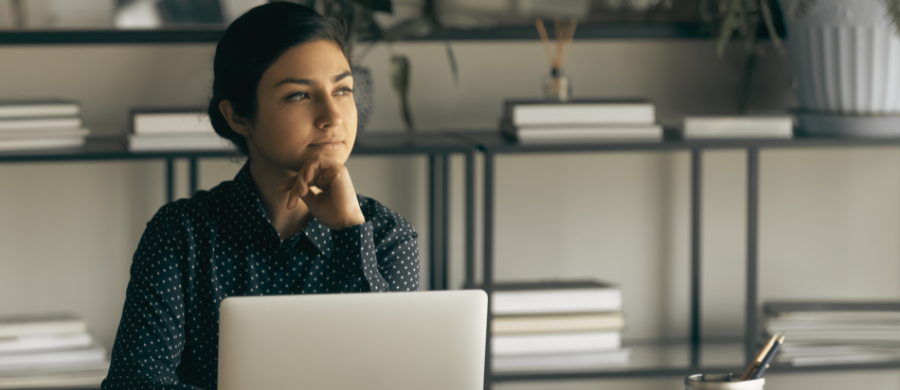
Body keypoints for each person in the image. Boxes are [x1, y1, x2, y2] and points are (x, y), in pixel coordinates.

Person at [101, 3, 420, 389]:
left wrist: (351, 231)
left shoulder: (387, 236)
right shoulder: (180, 234)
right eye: (300, 95)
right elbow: (135, 381)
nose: (333, 116)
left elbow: (390, 374)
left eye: (343, 89)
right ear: (238, 116)